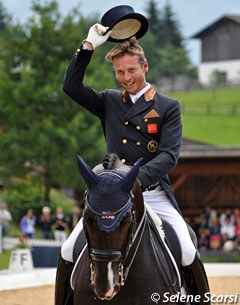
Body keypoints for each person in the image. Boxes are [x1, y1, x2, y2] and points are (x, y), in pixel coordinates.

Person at [57, 22, 209, 303]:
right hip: (110, 196)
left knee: (187, 250)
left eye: (131, 70)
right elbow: (71, 86)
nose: (125, 77)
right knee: (68, 249)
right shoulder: (109, 101)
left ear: (145, 66)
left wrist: (135, 180)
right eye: (119, 72)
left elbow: (168, 155)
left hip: (152, 193)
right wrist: (87, 46)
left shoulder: (168, 107)